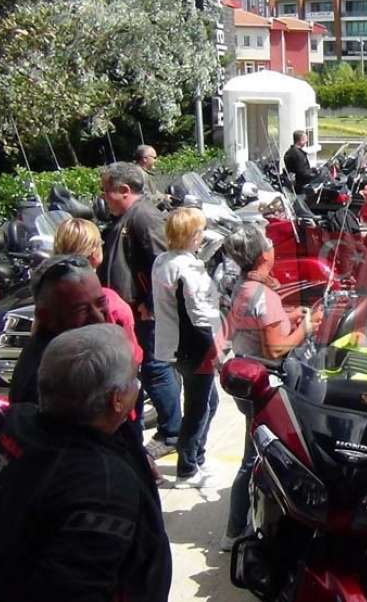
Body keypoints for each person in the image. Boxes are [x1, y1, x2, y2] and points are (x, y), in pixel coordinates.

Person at [0, 324, 171, 602]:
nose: (137, 385)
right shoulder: (104, 485)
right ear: (117, 400)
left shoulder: (14, 420)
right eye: (133, 378)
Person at [220, 224, 322, 551]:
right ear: (264, 255)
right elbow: (276, 349)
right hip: (265, 382)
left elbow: (259, 324)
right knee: (257, 456)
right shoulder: (262, 294)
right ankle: (237, 530)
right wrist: (307, 326)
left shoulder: (243, 285)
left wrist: (288, 315)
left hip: (245, 375)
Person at [98, 162, 182, 459]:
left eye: (106, 190)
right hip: (133, 313)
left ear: (124, 190)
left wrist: (151, 304)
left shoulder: (143, 217)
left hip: (146, 314)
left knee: (155, 370)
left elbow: (162, 263)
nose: (103, 197)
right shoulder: (127, 217)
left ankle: (172, 433)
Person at [152, 208, 221, 488]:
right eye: (199, 231)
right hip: (195, 344)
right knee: (198, 407)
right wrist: (216, 349)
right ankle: (187, 468)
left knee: (208, 402)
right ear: (191, 235)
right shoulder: (186, 269)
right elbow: (198, 314)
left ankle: (196, 455)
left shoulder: (164, 261)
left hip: (178, 345)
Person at [9, 255, 108, 405]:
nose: (99, 317)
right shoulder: (48, 384)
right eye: (81, 310)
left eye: (101, 302)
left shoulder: (77, 356)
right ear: (46, 316)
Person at [53, 218, 142, 365]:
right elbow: (132, 354)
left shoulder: (48, 296)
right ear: (94, 252)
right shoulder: (107, 301)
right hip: (103, 373)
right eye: (100, 243)